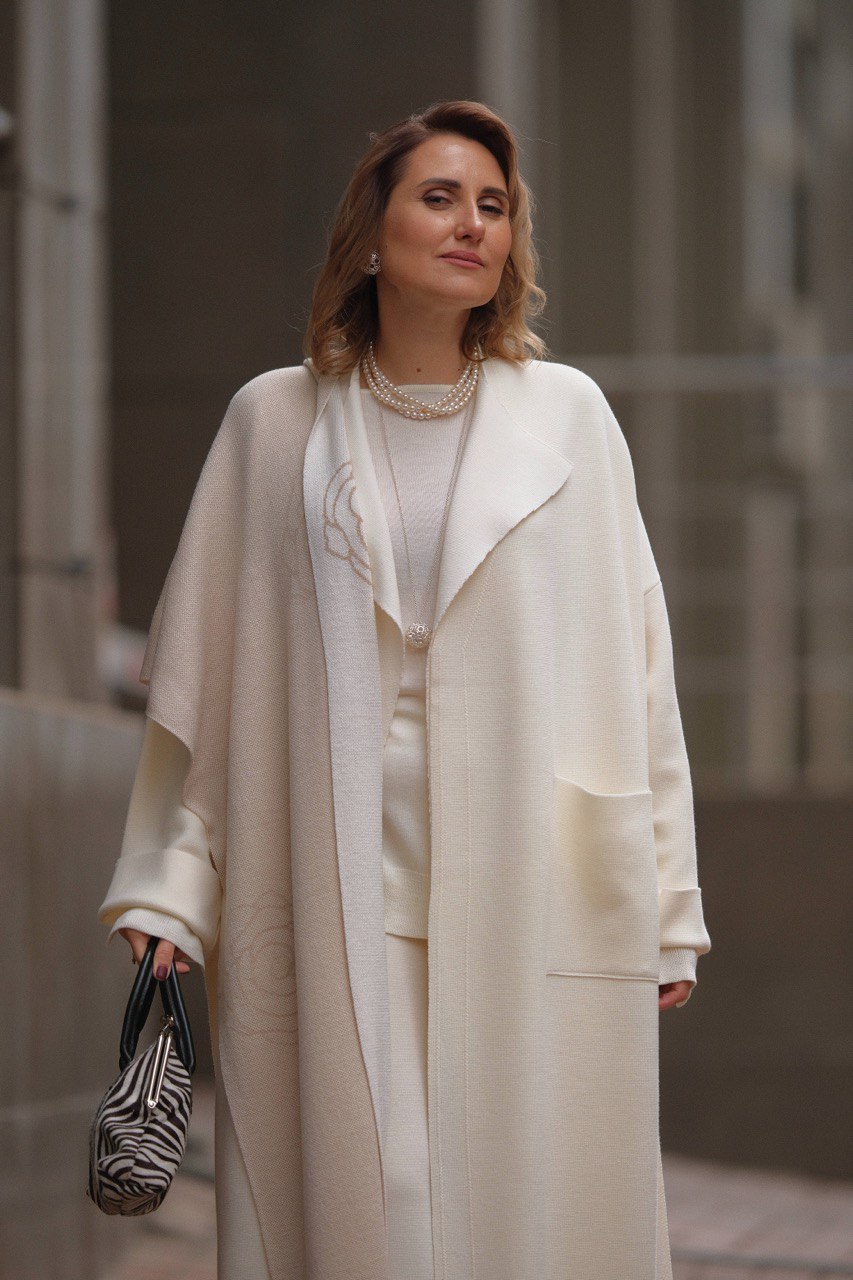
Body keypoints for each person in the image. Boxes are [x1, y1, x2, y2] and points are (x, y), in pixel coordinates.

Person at [98, 99, 711, 1279]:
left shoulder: (570, 416)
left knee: (520, 1207)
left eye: (492, 204)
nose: (471, 223)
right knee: (378, 1195)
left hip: (534, 869)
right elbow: (205, 689)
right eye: (439, 196)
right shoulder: (272, 422)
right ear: (371, 235)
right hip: (331, 868)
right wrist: (172, 889)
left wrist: (668, 900)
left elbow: (641, 668)